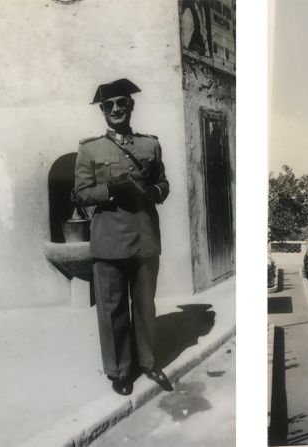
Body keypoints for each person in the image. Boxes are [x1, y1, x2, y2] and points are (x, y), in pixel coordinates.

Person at [74, 78, 172, 396]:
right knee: (113, 308)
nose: (116, 109)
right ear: (102, 111)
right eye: (109, 105)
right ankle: (120, 370)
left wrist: (153, 191)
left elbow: (163, 184)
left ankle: (147, 362)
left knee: (145, 305)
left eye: (121, 103)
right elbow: (81, 194)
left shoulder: (150, 145)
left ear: (131, 105)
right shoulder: (90, 149)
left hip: (145, 237)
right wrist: (110, 189)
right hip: (110, 240)